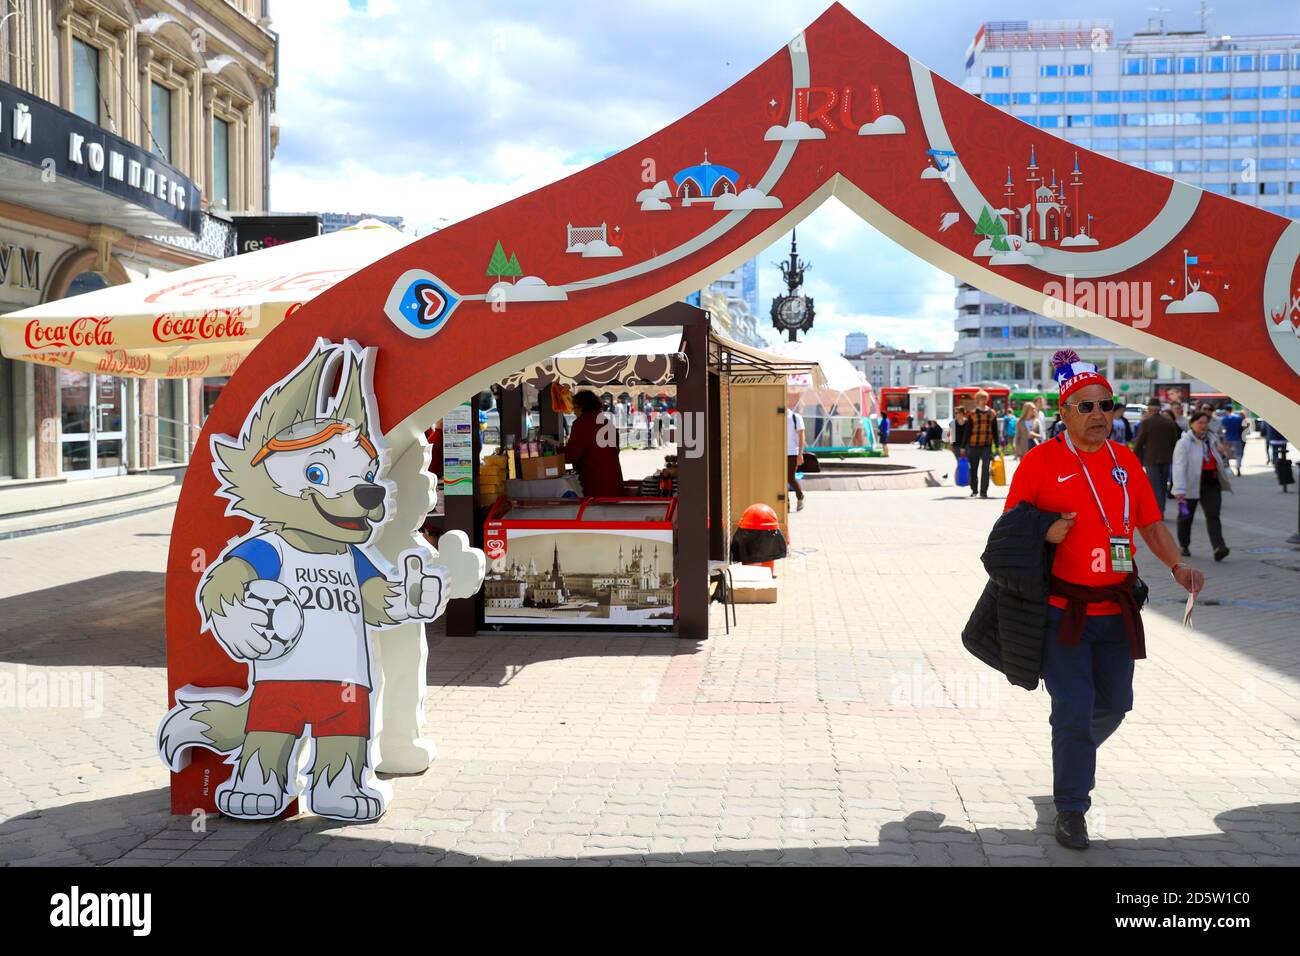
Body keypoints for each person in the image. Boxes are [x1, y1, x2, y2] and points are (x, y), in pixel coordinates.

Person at [993, 350, 1204, 850]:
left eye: (1106, 406)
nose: (1098, 416)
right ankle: (1071, 807)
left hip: (1116, 610)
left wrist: (1178, 566)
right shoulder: (1042, 461)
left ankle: (1071, 751)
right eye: (1085, 407)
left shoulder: (1125, 461)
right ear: (1063, 412)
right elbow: (1007, 531)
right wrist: (1046, 529)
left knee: (1114, 705)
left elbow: (1150, 524)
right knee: (1073, 709)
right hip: (1063, 614)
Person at [1172, 410, 1232, 561]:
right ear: (1191, 424)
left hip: (1211, 483)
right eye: (1200, 423)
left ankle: (1219, 547)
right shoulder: (1184, 443)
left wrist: (1224, 453)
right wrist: (1179, 489)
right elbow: (1178, 467)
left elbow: (1223, 458)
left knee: (1213, 516)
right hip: (1190, 486)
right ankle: (1184, 545)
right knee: (1186, 517)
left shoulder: (1212, 439)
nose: (1203, 426)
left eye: (1206, 423)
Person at [563, 390, 624, 497]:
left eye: (575, 408)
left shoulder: (582, 424)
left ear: (582, 407)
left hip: (594, 483)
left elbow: (571, 456)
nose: (574, 412)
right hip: (614, 480)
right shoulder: (607, 423)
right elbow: (615, 451)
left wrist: (559, 452)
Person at [1132, 399, 1181, 519]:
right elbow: (1175, 442)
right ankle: (1161, 510)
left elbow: (1139, 442)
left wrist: (1133, 456)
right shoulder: (1170, 423)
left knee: (1154, 486)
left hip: (1151, 458)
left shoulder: (1146, 423)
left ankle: (1157, 512)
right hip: (1167, 458)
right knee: (1163, 485)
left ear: (1150, 409)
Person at [962, 391, 999, 498]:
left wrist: (997, 445)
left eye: (985, 398)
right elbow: (967, 431)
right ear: (977, 400)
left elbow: (995, 430)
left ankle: (983, 492)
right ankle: (974, 490)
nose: (983, 400)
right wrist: (963, 446)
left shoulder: (992, 413)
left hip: (986, 445)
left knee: (985, 469)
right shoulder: (972, 413)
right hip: (973, 445)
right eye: (981, 398)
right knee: (973, 469)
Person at [787, 407, 806, 512]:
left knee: (790, 477)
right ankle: (786, 505)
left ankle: (800, 496)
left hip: (792, 453)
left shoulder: (795, 417)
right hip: (779, 453)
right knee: (780, 480)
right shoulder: (776, 416)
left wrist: (800, 454)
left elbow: (801, 437)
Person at [1220, 406, 1246, 476]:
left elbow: (1222, 429)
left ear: (1226, 410)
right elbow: (1243, 428)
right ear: (1232, 410)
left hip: (1227, 438)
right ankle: (1238, 467)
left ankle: (1228, 468)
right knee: (1239, 454)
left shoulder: (1224, 419)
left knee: (1227, 454)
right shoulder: (1239, 418)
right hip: (1237, 438)